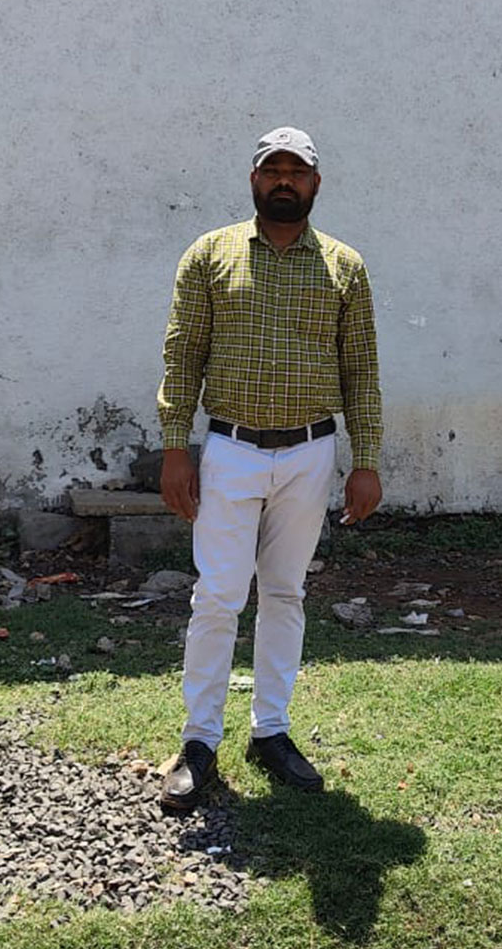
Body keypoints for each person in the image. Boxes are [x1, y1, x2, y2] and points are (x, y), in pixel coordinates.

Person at [157, 126, 383, 810]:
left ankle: (271, 731)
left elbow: (361, 371)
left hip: (310, 453)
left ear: (316, 182)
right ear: (254, 179)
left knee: (284, 592)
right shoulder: (210, 255)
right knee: (218, 595)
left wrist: (366, 460)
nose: (285, 180)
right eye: (273, 169)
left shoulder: (345, 266)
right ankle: (200, 741)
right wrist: (176, 446)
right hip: (231, 449)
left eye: (297, 170)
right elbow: (182, 354)